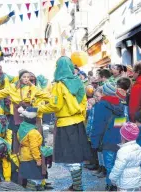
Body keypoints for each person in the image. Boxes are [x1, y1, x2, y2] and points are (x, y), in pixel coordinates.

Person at [35, 57, 91, 191]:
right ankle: (77, 185)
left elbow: (56, 105)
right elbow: (84, 103)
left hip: (65, 124)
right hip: (77, 123)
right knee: (77, 156)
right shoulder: (78, 81)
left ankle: (77, 187)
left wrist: (38, 109)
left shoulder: (58, 85)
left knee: (71, 158)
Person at [0, 70, 49, 154]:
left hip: (29, 113)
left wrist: (55, 98)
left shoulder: (33, 88)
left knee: (30, 135)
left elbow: (45, 95)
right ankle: (16, 158)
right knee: (16, 136)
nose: (27, 79)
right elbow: (1, 93)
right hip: (17, 113)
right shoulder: (12, 87)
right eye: (24, 77)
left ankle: (32, 156)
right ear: (20, 77)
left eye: (29, 78)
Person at [91, 82, 126, 191]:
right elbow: (121, 124)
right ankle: (118, 185)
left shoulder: (101, 105)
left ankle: (111, 185)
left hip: (106, 139)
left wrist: (94, 142)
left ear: (105, 92)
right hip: (119, 139)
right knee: (118, 163)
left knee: (109, 164)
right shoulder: (120, 104)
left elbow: (98, 125)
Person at [16, 107, 51, 190]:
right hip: (32, 157)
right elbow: (34, 148)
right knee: (34, 177)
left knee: (30, 176)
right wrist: (38, 159)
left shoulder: (21, 127)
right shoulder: (33, 132)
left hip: (24, 155)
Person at [109, 122, 141, 191]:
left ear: (123, 137)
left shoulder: (123, 151)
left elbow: (118, 169)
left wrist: (112, 179)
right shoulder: (138, 148)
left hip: (125, 185)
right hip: (138, 182)